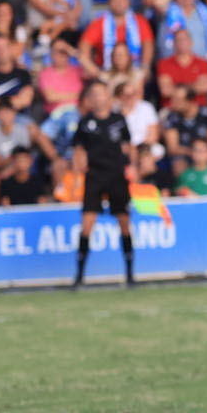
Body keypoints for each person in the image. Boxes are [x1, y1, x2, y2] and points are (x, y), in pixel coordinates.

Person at [70, 79, 137, 289]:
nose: (99, 98)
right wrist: (75, 177)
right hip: (95, 177)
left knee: (124, 223)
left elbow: (128, 146)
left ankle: (129, 274)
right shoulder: (85, 123)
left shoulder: (119, 120)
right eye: (94, 94)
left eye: (102, 93)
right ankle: (80, 276)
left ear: (108, 97)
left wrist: (133, 167)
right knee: (87, 224)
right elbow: (78, 150)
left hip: (117, 176)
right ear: (89, 99)